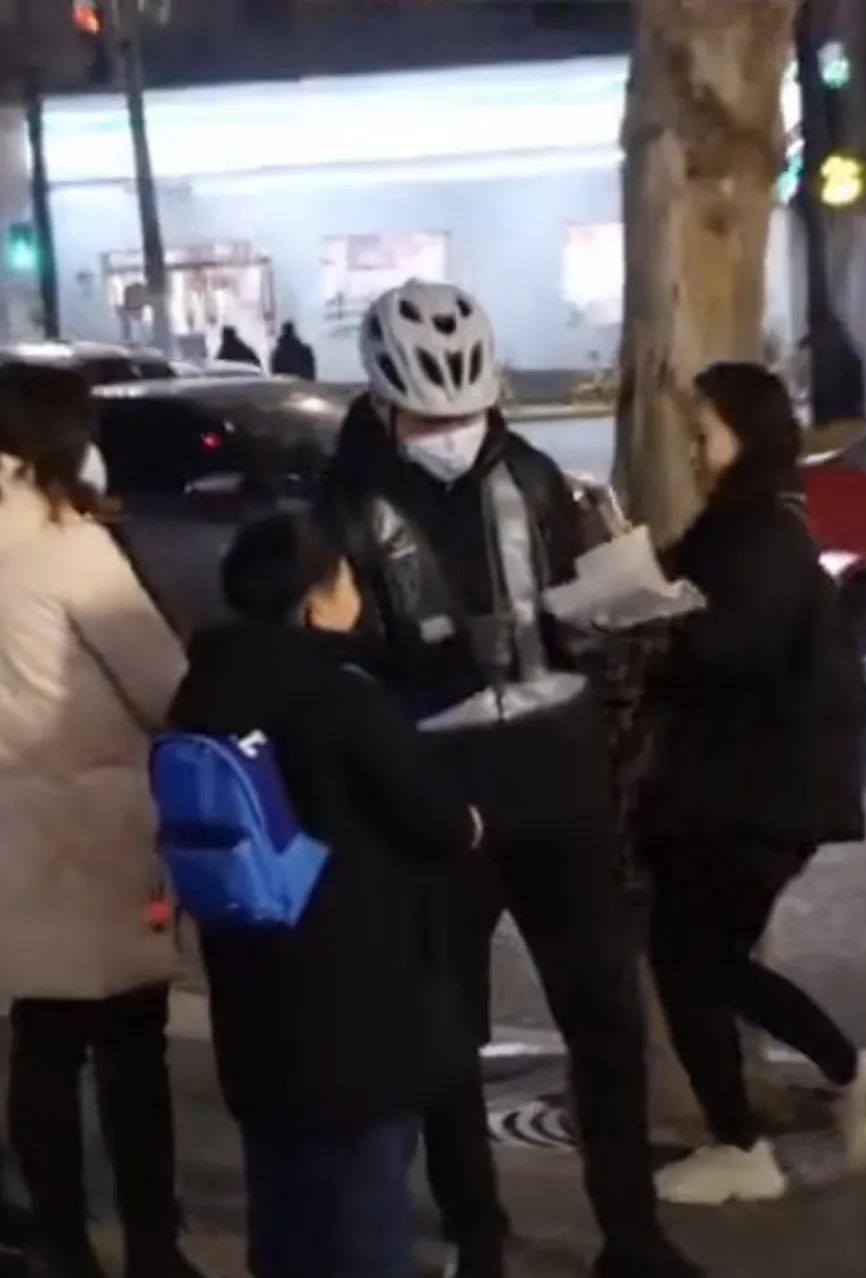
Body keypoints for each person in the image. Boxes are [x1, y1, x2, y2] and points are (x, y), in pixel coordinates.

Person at [322, 281, 696, 1278]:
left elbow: (576, 600)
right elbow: (331, 656)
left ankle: (632, 1234)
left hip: (555, 780)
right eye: (430, 416)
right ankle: (477, 1237)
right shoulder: (343, 502)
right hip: (436, 793)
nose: (454, 432)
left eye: (470, 412)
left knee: (606, 1018)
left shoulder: (534, 477)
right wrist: (412, 665)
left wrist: (612, 622)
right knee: (447, 1036)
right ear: (385, 402)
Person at [168, 511, 482, 1278]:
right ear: (314, 602)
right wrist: (471, 820)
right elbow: (435, 821)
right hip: (354, 1003)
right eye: (346, 581)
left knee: (285, 1210)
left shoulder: (202, 689)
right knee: (361, 1220)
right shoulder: (340, 696)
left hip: (252, 990)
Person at [641, 362, 866, 1208]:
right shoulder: (745, 525)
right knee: (705, 963)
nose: (695, 451)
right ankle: (846, 1077)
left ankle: (749, 1140)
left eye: (705, 434)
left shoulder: (760, 535)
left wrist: (640, 622)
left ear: (748, 434)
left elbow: (725, 649)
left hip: (749, 797)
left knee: (689, 961)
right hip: (750, 793)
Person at [0, 364, 202, 1278]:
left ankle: (63, 1247)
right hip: (99, 836)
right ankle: (153, 1249)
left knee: (41, 1047)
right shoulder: (66, 544)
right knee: (132, 1053)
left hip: (14, 836)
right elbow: (165, 686)